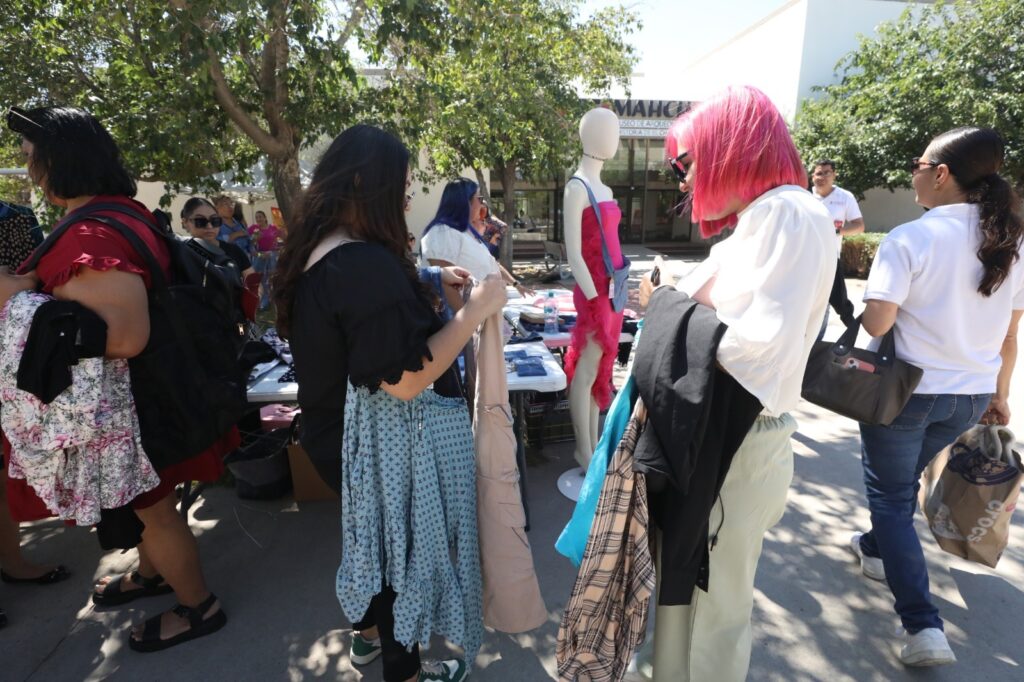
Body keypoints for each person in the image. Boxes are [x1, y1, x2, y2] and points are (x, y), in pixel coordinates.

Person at [273, 124, 506, 682]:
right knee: (398, 566)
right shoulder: (361, 266)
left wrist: (426, 278)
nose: (405, 201)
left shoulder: (323, 250)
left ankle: (368, 640)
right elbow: (403, 380)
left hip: (339, 440)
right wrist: (474, 311)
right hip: (378, 451)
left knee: (376, 550)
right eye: (400, 188)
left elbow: (356, 321)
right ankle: (406, 673)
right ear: (363, 184)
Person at [3, 105, 232, 651]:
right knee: (149, 503)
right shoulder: (119, 213)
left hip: (131, 405)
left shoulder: (90, 234)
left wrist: (24, 297)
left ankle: (198, 606)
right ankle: (152, 576)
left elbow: (125, 335)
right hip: (149, 393)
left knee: (155, 511)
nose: (29, 168)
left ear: (62, 160)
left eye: (33, 157)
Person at [634, 85, 835, 682]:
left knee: (711, 617)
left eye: (686, 161)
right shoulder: (769, 215)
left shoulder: (787, 214)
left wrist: (662, 304)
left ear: (730, 149)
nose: (684, 178)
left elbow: (752, 347)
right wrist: (672, 298)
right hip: (726, 439)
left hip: (736, 441)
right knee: (692, 601)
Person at [851, 126, 1024, 667]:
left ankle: (923, 625)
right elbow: (1010, 336)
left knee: (890, 497)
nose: (914, 175)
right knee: (900, 484)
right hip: (968, 398)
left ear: (941, 174)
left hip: (905, 394)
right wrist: (1000, 395)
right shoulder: (1011, 243)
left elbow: (877, 322)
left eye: (918, 165)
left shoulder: (911, 237)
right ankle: (875, 548)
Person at [421, 179, 531, 302]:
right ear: (465, 202)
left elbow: (492, 265)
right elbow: (445, 286)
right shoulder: (442, 232)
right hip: (469, 312)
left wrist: (516, 284)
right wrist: (467, 314)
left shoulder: (466, 233)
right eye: (479, 199)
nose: (482, 204)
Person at [812, 159, 865, 327]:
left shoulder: (845, 197)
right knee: (808, 301)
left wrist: (835, 231)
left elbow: (859, 226)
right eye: (819, 173)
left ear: (834, 175)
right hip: (806, 258)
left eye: (827, 173)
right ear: (813, 176)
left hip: (830, 258)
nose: (822, 177)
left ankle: (819, 339)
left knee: (827, 301)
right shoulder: (805, 196)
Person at [181, 198, 256, 281]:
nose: (209, 226)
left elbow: (253, 282)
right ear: (185, 223)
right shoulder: (180, 254)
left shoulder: (234, 251)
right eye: (200, 221)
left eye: (215, 220)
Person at [248, 210, 282, 310]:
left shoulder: (272, 228)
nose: (258, 219)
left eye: (260, 216)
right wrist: (254, 238)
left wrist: (278, 248)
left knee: (272, 277)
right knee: (260, 278)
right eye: (257, 217)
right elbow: (250, 243)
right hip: (260, 256)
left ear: (265, 218)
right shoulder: (253, 229)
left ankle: (273, 298)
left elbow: (281, 237)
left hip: (272, 256)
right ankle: (264, 299)